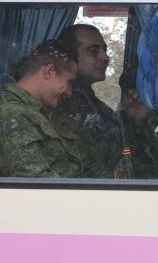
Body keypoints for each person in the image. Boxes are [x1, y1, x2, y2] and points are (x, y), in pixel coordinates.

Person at [0, 40, 82, 177]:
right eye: (68, 82)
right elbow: (36, 185)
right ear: (49, 71)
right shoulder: (12, 114)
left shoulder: (39, 112)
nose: (69, 93)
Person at [51, 24, 126, 178]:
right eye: (93, 51)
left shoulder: (87, 99)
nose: (105, 57)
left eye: (104, 49)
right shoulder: (58, 102)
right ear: (69, 57)